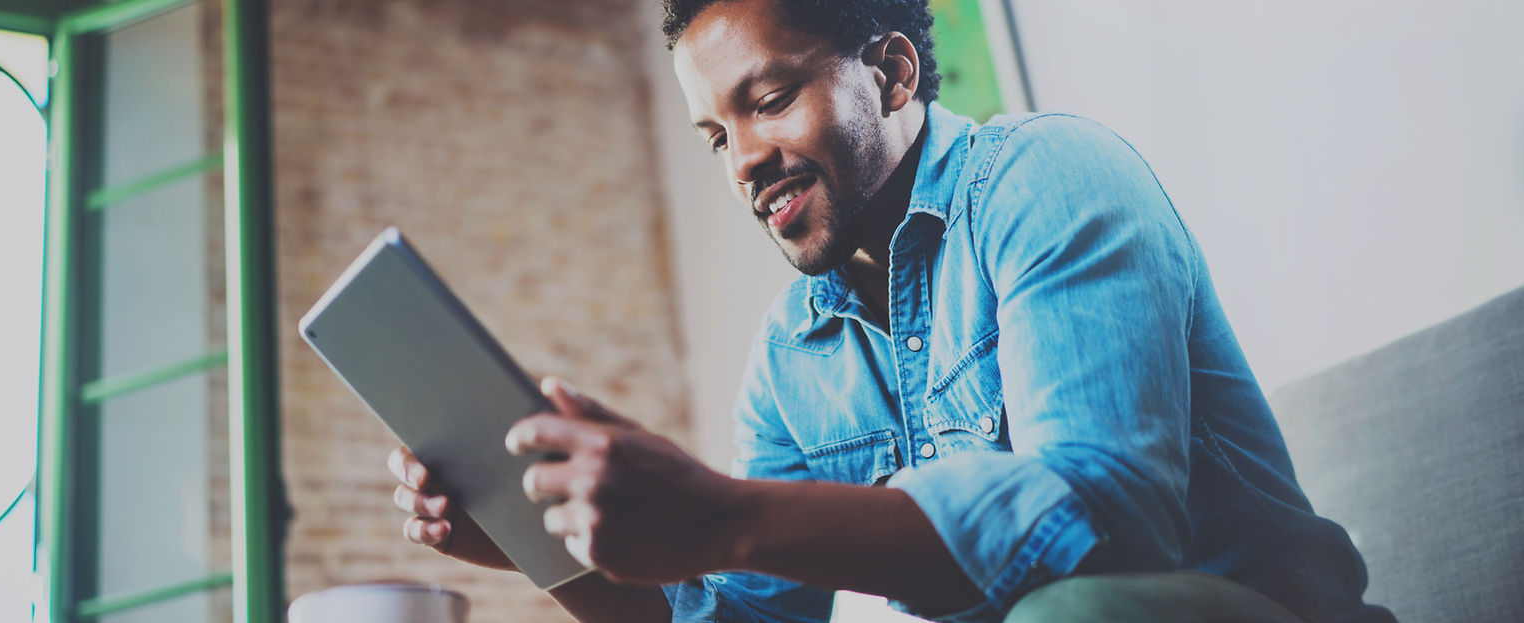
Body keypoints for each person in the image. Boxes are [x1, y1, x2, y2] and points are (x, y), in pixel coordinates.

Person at [386, 1, 1396, 621]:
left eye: (769, 99)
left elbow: (1103, 525)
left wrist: (724, 513)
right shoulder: (790, 358)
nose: (741, 161)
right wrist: (535, 536)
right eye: (713, 134)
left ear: (893, 70)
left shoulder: (1046, 178)